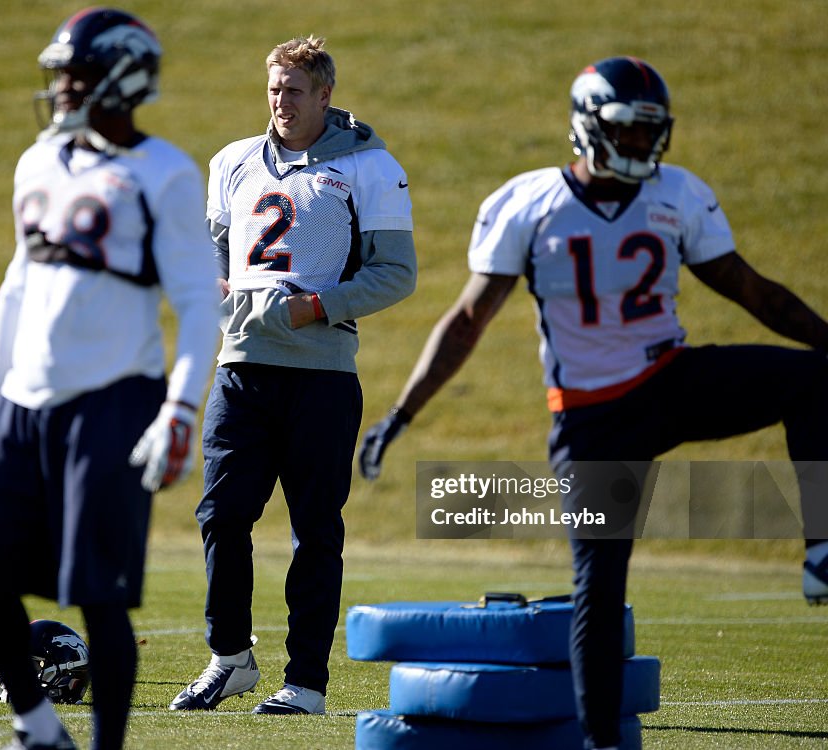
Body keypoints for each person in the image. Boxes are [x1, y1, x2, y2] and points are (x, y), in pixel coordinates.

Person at [358, 56, 828, 750]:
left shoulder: (677, 195)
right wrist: (402, 411)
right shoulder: (529, 204)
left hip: (669, 381)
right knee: (599, 586)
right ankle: (603, 744)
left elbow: (754, 293)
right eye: (626, 131)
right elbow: (466, 322)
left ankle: (822, 549)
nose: (641, 146)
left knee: (815, 379)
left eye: (649, 133)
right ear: (587, 127)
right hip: (588, 415)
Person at [0, 8, 220, 750]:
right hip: (23, 399)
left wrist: (179, 408)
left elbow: (197, 304)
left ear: (124, 79)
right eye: (60, 73)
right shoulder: (36, 161)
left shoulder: (165, 172)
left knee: (100, 596)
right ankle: (39, 728)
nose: (62, 88)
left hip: (114, 397)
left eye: (78, 73)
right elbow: (16, 284)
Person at [168, 36, 417, 716]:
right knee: (221, 514)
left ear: (325, 95)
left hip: (322, 377)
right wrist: (222, 296)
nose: (281, 101)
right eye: (274, 88)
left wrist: (316, 307)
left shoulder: (370, 166)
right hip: (241, 369)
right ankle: (230, 657)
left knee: (314, 531)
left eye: (295, 90)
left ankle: (305, 683)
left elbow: (397, 273)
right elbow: (211, 253)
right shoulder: (233, 161)